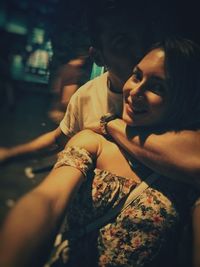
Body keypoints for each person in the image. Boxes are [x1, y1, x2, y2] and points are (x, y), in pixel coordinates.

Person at [0, 37, 199, 267]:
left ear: (183, 101)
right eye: (136, 76)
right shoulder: (95, 139)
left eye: (158, 87)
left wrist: (110, 123)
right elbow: (47, 199)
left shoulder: (187, 173)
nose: (135, 91)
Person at [0, 1, 200, 185]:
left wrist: (108, 125)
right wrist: (10, 154)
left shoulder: (177, 95)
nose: (140, 51)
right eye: (122, 42)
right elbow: (57, 140)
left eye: (146, 39)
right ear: (98, 57)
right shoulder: (86, 96)